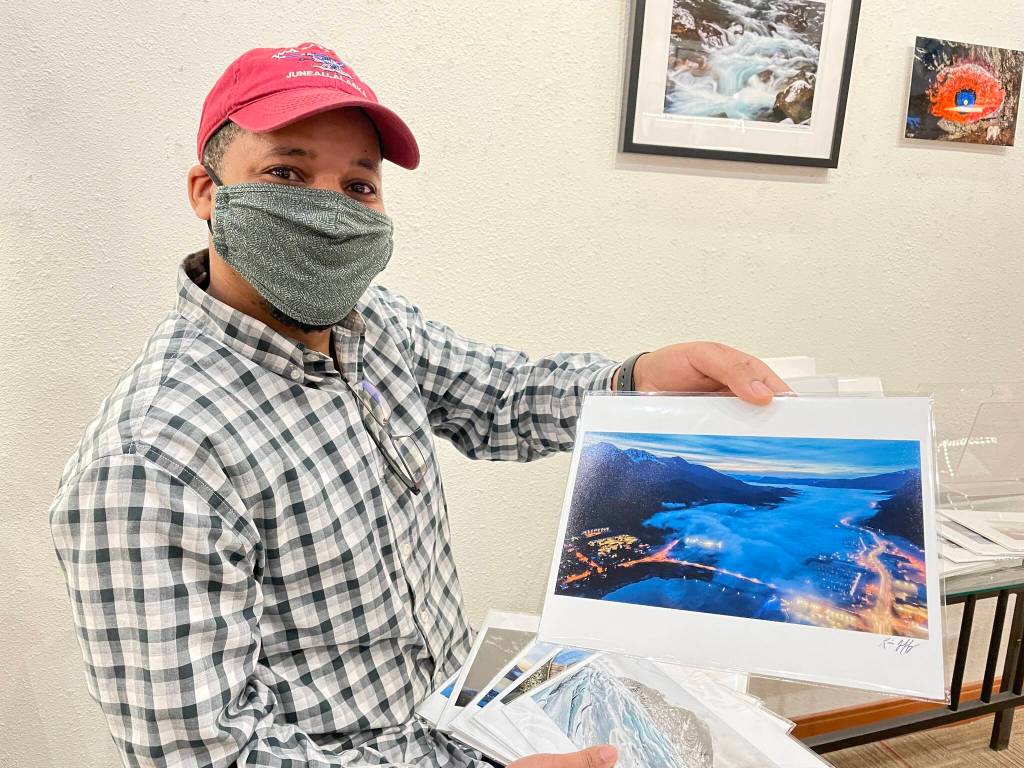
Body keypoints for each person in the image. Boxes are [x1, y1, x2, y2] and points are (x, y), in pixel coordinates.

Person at [48, 42, 790, 768]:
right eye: (286, 172)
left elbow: (504, 398)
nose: (330, 213)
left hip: (468, 727)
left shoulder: (376, 329)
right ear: (207, 192)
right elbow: (206, 754)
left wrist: (642, 376)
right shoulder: (154, 456)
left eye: (358, 187)